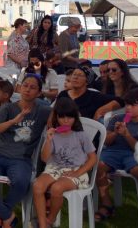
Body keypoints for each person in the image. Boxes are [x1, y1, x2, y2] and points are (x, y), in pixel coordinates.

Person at [0, 75, 52, 228]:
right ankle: (8, 216)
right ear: (20, 87)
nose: (27, 89)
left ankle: (1, 214)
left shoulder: (43, 111)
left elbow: (67, 116)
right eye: (25, 85)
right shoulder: (9, 108)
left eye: (32, 87)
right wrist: (13, 121)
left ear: (39, 92)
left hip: (20, 158)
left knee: (21, 182)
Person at [32, 98, 97, 228]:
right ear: (56, 117)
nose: (66, 120)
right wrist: (48, 140)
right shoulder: (53, 134)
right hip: (54, 168)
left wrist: (77, 173)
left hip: (76, 170)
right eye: (62, 117)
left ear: (75, 117)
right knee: (37, 186)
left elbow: (92, 158)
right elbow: (44, 158)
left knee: (57, 188)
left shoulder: (81, 135)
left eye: (69, 117)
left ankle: (50, 220)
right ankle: (43, 225)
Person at [94, 89, 138, 222]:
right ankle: (107, 203)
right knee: (99, 166)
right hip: (113, 152)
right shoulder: (117, 119)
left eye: (133, 105)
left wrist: (127, 135)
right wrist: (115, 133)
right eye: (127, 104)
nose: (128, 108)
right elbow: (106, 142)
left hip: (133, 155)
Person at [55, 66, 120, 121]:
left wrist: (100, 111)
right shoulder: (63, 94)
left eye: (80, 75)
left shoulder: (94, 96)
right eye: (74, 74)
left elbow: (119, 100)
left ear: (87, 81)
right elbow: (54, 114)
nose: (75, 77)